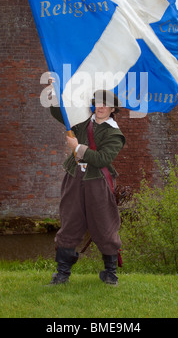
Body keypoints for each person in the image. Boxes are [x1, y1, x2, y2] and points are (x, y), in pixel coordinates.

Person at [49, 89, 125, 285]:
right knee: (70, 223)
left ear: (112, 108)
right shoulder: (83, 122)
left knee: (104, 225)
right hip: (74, 177)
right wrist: (56, 95)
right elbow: (59, 113)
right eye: (98, 103)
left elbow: (102, 159)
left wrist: (77, 147)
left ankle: (110, 274)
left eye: (105, 104)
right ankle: (62, 274)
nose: (100, 107)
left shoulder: (115, 134)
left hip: (97, 182)